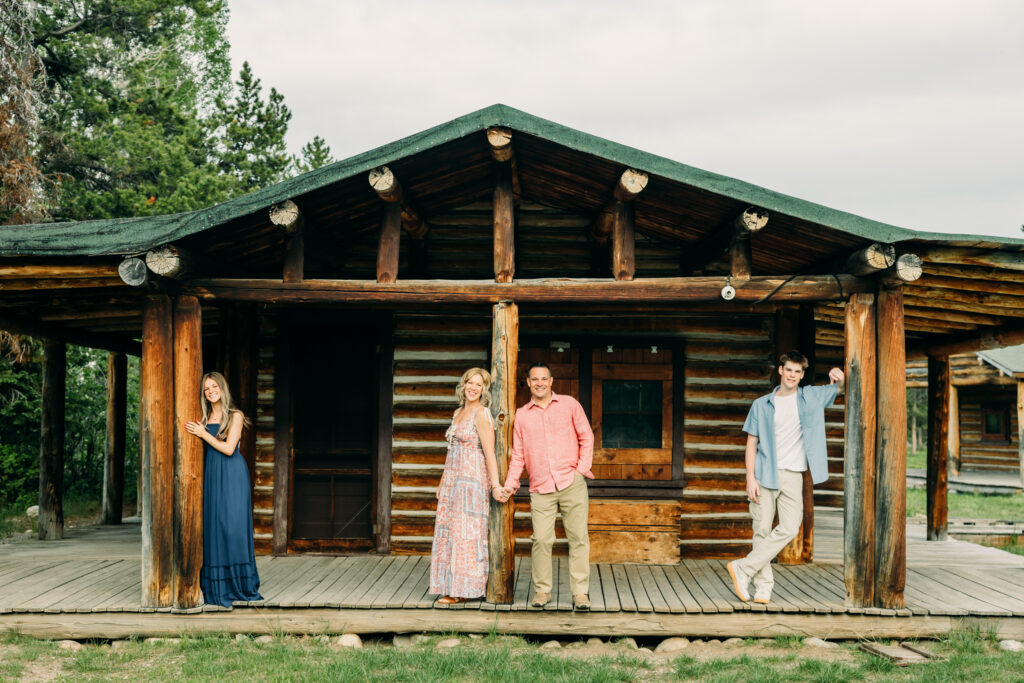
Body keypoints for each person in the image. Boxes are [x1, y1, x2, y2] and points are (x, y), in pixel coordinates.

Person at [727, 351, 844, 605]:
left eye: (797, 372)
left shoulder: (811, 397)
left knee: (790, 527)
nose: (792, 375)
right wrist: (750, 477)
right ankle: (763, 588)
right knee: (761, 529)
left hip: (793, 475)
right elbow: (751, 444)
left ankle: (743, 568)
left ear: (802, 375)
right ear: (780, 370)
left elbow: (840, 390)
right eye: (788, 370)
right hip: (764, 474)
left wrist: (840, 378)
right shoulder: (761, 404)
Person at [496, 362, 594, 611]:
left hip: (571, 482)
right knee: (540, 539)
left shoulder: (570, 405)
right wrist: (510, 484)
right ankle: (542, 591)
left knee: (578, 539)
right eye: (534, 379)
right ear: (528, 383)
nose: (539, 383)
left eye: (543, 379)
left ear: (551, 381)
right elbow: (518, 455)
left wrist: (580, 470)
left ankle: (580, 594)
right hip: (540, 487)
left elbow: (587, 436)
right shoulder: (521, 415)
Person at [184, 372, 263, 608]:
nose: (210, 391)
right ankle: (218, 587)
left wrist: (203, 434)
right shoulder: (204, 417)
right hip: (212, 474)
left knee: (233, 528)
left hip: (232, 473)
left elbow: (229, 449)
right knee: (215, 528)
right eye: (206, 389)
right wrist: (202, 430)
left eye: (214, 386)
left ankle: (240, 585)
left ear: (222, 388)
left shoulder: (234, 415)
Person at [430, 367, 504, 604]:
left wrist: (495, 485)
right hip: (453, 479)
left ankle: (465, 589)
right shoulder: (458, 412)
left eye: (478, 385)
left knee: (467, 535)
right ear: (463, 385)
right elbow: (450, 450)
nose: (473, 388)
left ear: (484, 390)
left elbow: (489, 452)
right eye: (470, 383)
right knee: (449, 531)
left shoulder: (482, 414)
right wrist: (443, 482)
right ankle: (449, 584)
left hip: (471, 480)